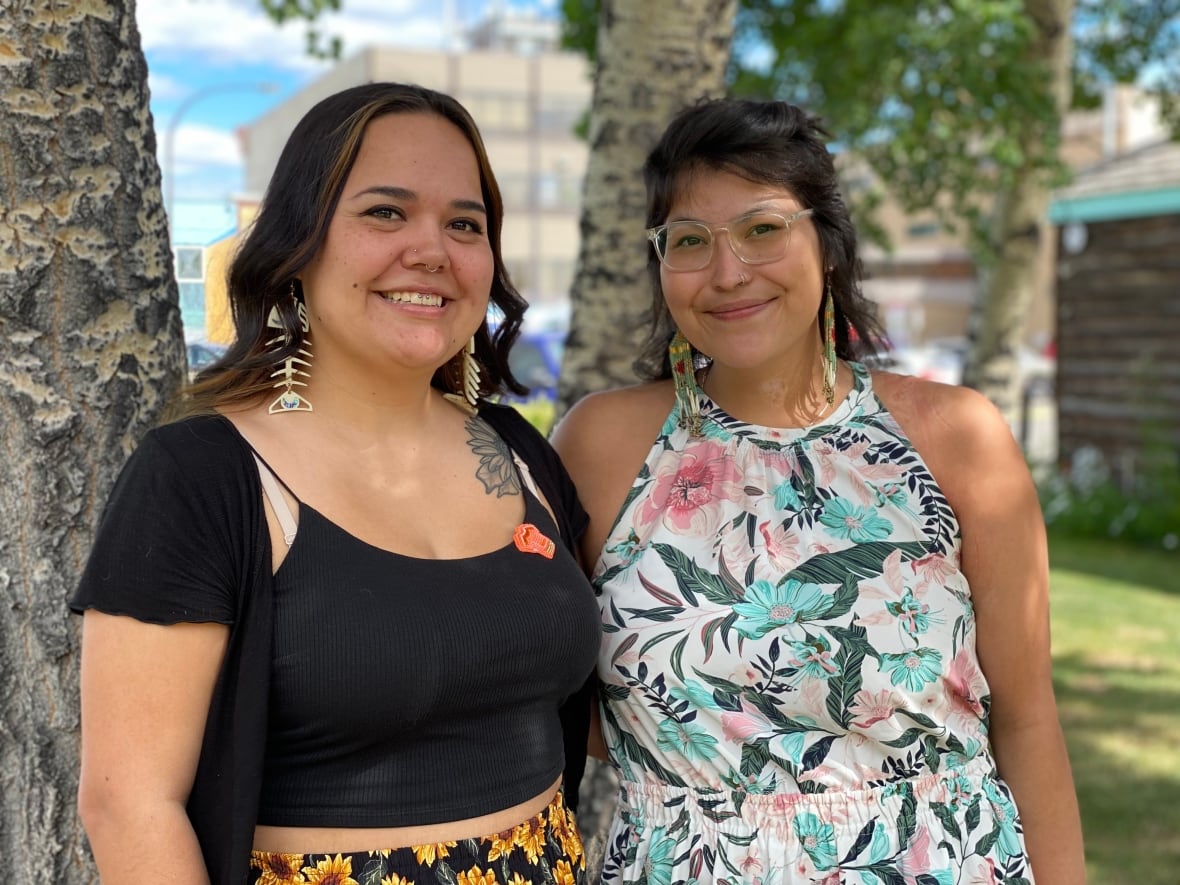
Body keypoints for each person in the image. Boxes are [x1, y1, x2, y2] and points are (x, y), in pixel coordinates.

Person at [72, 82, 600, 885]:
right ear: (300, 243)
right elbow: (129, 803)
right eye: (385, 212)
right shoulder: (201, 478)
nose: (432, 250)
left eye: (465, 223)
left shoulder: (518, 451)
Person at [552, 98, 1085, 884]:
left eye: (763, 229)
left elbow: (1029, 720)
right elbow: (554, 688)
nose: (729, 271)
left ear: (826, 242)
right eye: (690, 241)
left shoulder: (957, 438)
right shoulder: (601, 444)